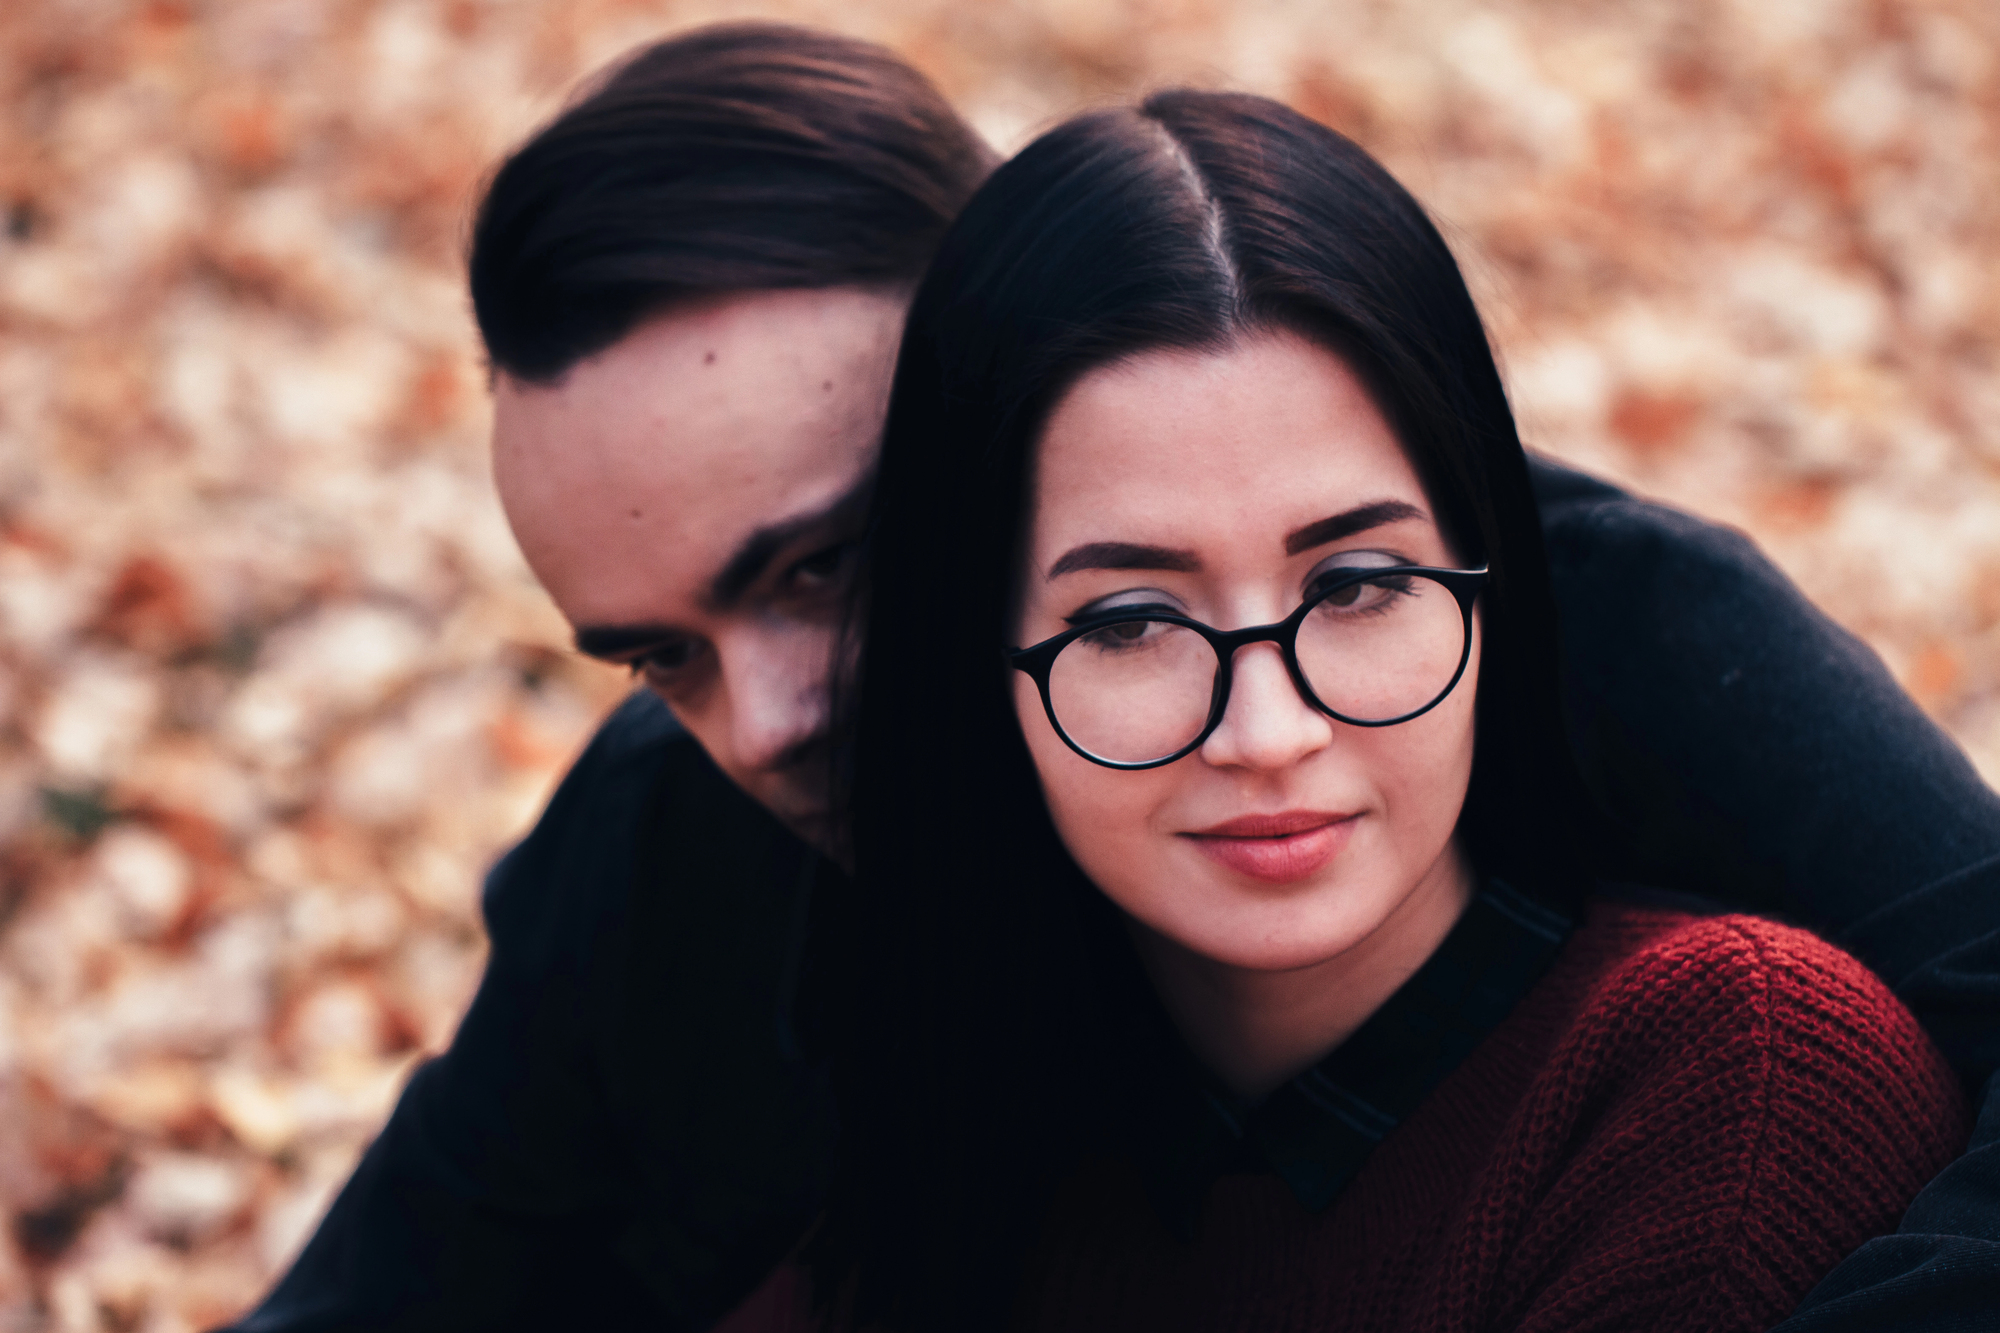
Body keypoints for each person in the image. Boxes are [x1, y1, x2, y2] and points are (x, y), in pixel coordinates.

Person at [218, 22, 2000, 1333]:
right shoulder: (691, 841)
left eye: (829, 562)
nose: (765, 720)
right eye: (660, 649)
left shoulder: (1617, 638)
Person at [747, 89, 1968, 1332]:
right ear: (977, 656)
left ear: (1486, 583)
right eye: (1128, 621)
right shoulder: (954, 1159)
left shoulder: (1723, 1083)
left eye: (1357, 585)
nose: (1269, 732)